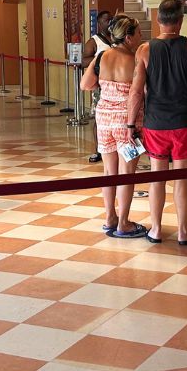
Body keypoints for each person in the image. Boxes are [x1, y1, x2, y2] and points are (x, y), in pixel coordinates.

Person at [127, 0, 187, 245]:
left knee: (156, 177)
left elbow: (136, 92)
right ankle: (184, 231)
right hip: (184, 122)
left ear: (158, 20)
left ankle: (156, 229)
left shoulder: (144, 50)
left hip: (155, 124)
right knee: (181, 178)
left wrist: (131, 124)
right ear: (181, 20)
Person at [81, 15, 144, 237]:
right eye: (137, 32)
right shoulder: (136, 60)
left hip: (103, 120)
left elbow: (85, 84)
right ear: (128, 37)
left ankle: (110, 217)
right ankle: (124, 222)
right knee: (127, 173)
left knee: (109, 171)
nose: (140, 36)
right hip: (127, 122)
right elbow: (139, 94)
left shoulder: (101, 57)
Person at [82, 10, 115, 164]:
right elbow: (83, 60)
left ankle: (112, 147)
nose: (109, 23)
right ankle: (98, 149)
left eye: (111, 20)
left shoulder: (116, 38)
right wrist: (100, 59)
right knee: (98, 118)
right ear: (99, 23)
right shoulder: (94, 41)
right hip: (100, 85)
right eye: (106, 20)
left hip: (115, 84)